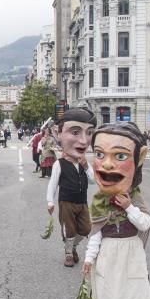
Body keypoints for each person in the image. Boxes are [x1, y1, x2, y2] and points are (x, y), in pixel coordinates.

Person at [83, 121, 150, 299]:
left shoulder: (135, 197)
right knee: (107, 294)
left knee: (129, 296)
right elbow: (96, 232)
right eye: (100, 154)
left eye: (120, 155)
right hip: (107, 253)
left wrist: (129, 207)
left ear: (139, 158)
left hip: (130, 252)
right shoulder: (98, 200)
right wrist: (89, 258)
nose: (107, 163)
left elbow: (145, 224)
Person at [47, 107, 97, 268]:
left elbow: (92, 181)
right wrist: (50, 201)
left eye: (89, 133)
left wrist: (86, 167)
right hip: (66, 201)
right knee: (69, 229)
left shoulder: (83, 163)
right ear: (58, 133)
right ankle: (68, 254)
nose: (83, 141)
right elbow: (53, 183)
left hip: (81, 202)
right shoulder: (59, 164)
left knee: (85, 229)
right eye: (75, 132)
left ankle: (73, 246)